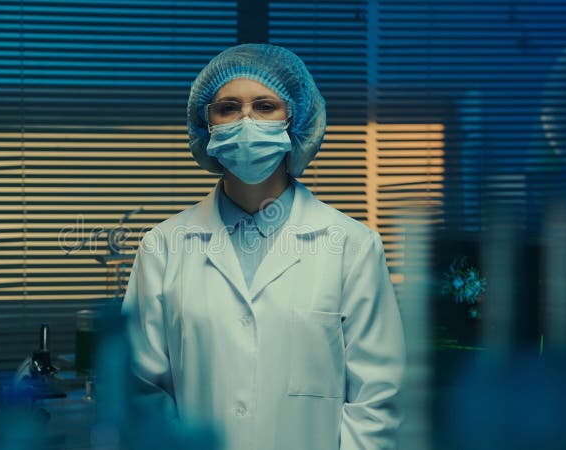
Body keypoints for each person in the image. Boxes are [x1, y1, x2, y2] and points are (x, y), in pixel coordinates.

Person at [121, 43, 406, 450]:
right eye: (228, 108)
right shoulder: (162, 248)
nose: (246, 122)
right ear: (207, 124)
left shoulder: (353, 248)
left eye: (265, 106)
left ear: (295, 119)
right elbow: (142, 390)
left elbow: (376, 402)